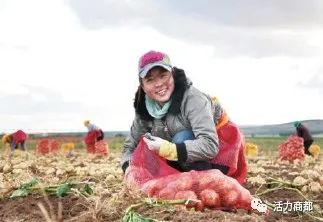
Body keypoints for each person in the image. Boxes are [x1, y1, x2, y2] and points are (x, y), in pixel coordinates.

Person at [121, 50, 247, 184]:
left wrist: (167, 149)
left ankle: (200, 181)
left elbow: (210, 145)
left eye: (163, 76)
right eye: (150, 80)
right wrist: (129, 169)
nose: (158, 84)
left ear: (173, 75)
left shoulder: (193, 99)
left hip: (218, 154)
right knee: (146, 149)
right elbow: (130, 146)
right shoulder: (144, 108)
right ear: (143, 85)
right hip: (178, 155)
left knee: (182, 137)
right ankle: (178, 177)